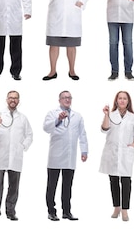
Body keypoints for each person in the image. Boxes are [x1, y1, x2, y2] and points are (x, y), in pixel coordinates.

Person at [41, 0, 91, 81]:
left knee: (71, 45)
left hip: (71, 16)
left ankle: (72, 71)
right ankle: (52, 71)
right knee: (53, 45)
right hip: (55, 15)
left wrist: (81, 2)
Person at [42, 91, 88, 221]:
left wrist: (84, 151)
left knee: (67, 186)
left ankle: (67, 211)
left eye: (69, 97)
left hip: (70, 156)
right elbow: (46, 128)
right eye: (64, 97)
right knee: (52, 185)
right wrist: (58, 120)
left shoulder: (77, 116)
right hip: (55, 155)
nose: (67, 100)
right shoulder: (52, 113)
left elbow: (82, 134)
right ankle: (51, 211)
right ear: (59, 100)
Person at [0, 90, 33, 221]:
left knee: (14, 185)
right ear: (6, 99)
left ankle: (11, 211)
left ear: (19, 100)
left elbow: (29, 135)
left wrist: (23, 146)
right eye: (11, 98)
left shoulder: (23, 118)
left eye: (16, 98)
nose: (13, 100)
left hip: (16, 156)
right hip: (1, 155)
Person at [99, 91, 134, 221]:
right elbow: (104, 129)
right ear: (116, 101)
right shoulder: (111, 115)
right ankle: (116, 207)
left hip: (126, 153)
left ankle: (124, 210)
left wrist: (132, 146)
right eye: (120, 98)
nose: (122, 100)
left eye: (125, 98)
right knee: (113, 181)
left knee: (126, 182)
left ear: (128, 101)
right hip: (111, 153)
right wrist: (106, 115)